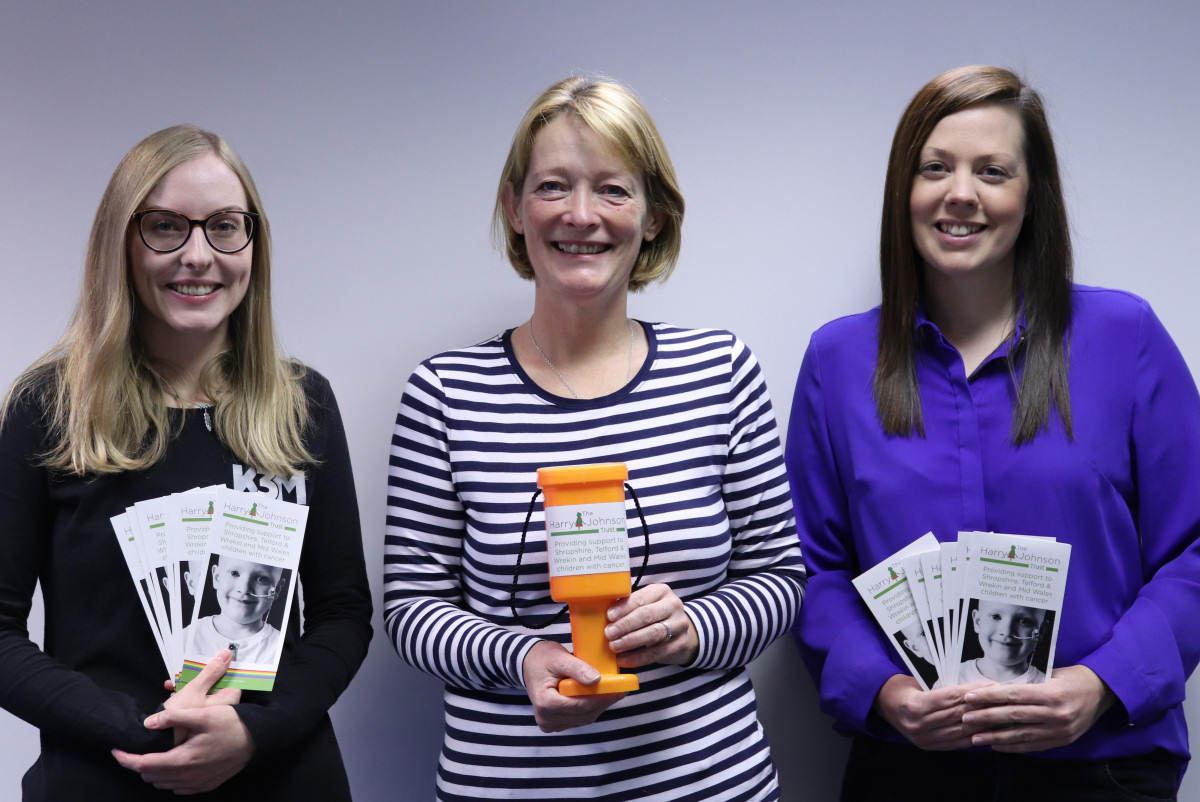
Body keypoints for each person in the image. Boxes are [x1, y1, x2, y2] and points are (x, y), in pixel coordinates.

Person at [384, 75, 806, 800]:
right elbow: (410, 608)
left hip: (706, 783)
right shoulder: (445, 392)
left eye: (613, 189)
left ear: (653, 216)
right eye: (553, 186)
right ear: (514, 208)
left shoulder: (721, 371)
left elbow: (780, 576)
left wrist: (694, 628)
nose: (581, 215)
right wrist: (523, 657)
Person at [787, 64, 1200, 800]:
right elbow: (814, 571)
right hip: (907, 770)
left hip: (1101, 765)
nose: (960, 193)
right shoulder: (836, 361)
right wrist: (883, 691)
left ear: (1032, 196)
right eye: (935, 168)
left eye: (992, 171)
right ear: (904, 191)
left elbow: (1193, 547)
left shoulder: (1126, 336)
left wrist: (1102, 683)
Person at [0, 125, 372, 800]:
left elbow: (343, 614)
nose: (198, 256)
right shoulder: (49, 407)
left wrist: (254, 732)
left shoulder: (304, 402)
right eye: (166, 227)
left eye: (224, 226)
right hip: (106, 777)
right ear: (121, 243)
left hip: (283, 776)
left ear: (253, 244)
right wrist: (152, 731)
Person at [182, 556, 287, 665]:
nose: (244, 589)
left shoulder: (281, 648)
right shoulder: (185, 639)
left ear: (277, 589)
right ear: (217, 577)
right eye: (234, 573)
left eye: (261, 579)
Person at [960, 601, 1046, 685]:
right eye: (996, 617)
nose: (1007, 632)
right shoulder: (954, 673)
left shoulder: (1046, 686)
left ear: (1041, 631)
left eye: (1024, 621)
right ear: (977, 622)